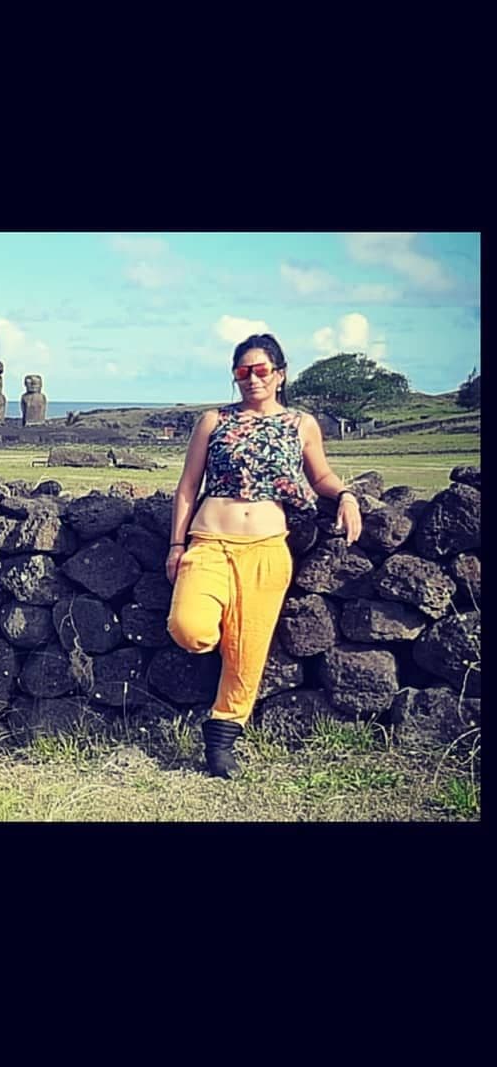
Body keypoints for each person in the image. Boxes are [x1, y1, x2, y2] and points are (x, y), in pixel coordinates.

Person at [165, 334, 363, 779]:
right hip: (210, 542)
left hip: (268, 550)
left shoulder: (300, 424)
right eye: (242, 372)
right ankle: (217, 684)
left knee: (247, 652)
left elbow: (322, 475)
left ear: (279, 374)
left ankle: (221, 740)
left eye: (260, 370)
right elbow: (186, 487)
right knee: (190, 627)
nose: (251, 379)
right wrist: (176, 545)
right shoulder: (213, 421)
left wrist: (347, 495)